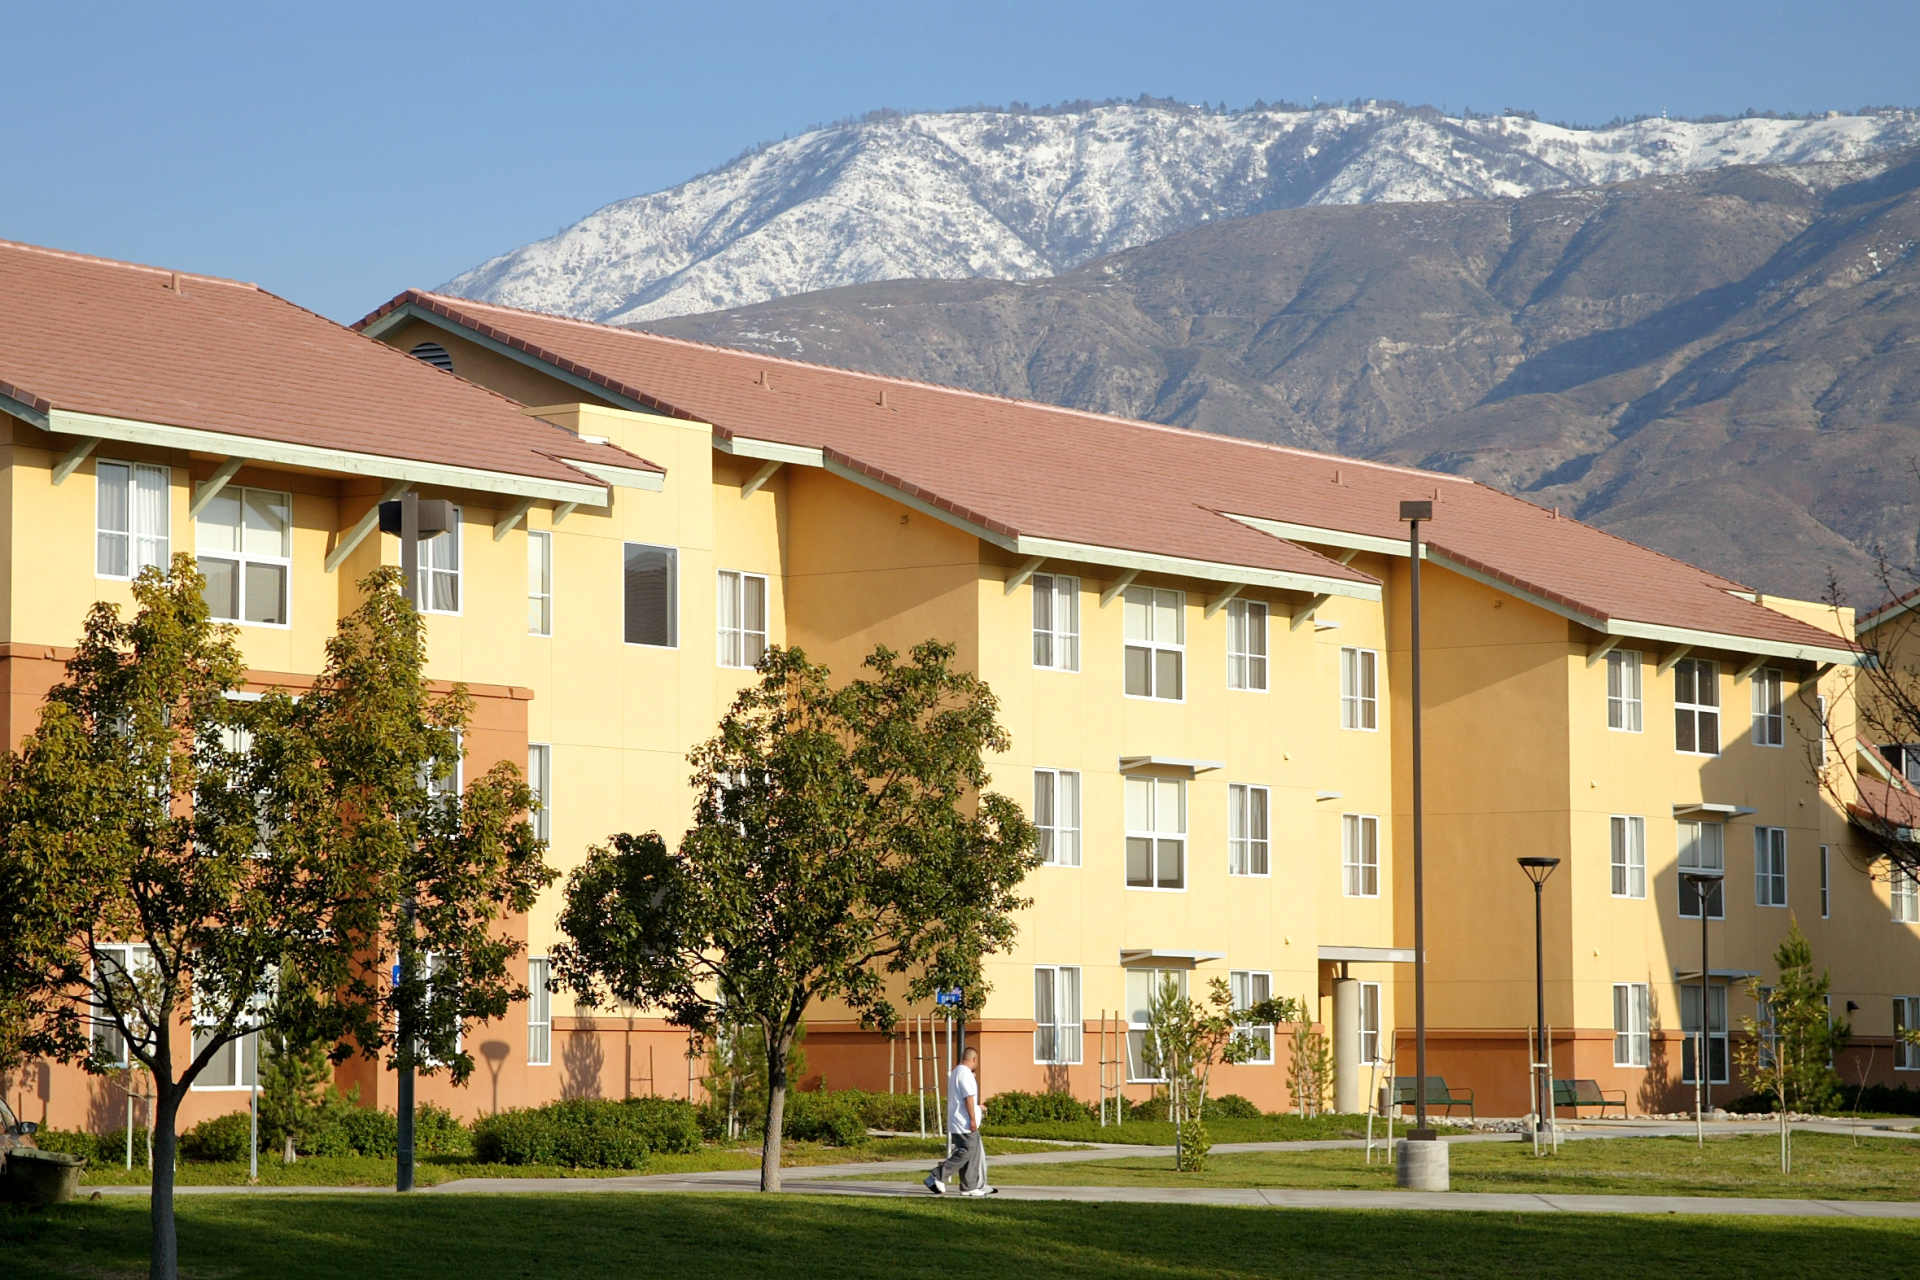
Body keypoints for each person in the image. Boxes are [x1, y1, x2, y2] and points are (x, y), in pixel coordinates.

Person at [924, 1044, 995, 1195]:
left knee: (972, 1152)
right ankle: (937, 1175)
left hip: (959, 1121)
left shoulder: (956, 1072)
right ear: (974, 1059)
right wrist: (973, 1119)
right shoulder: (965, 1074)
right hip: (964, 1122)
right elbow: (968, 1098)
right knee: (966, 1150)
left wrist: (977, 1108)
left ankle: (969, 1186)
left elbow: (966, 1099)